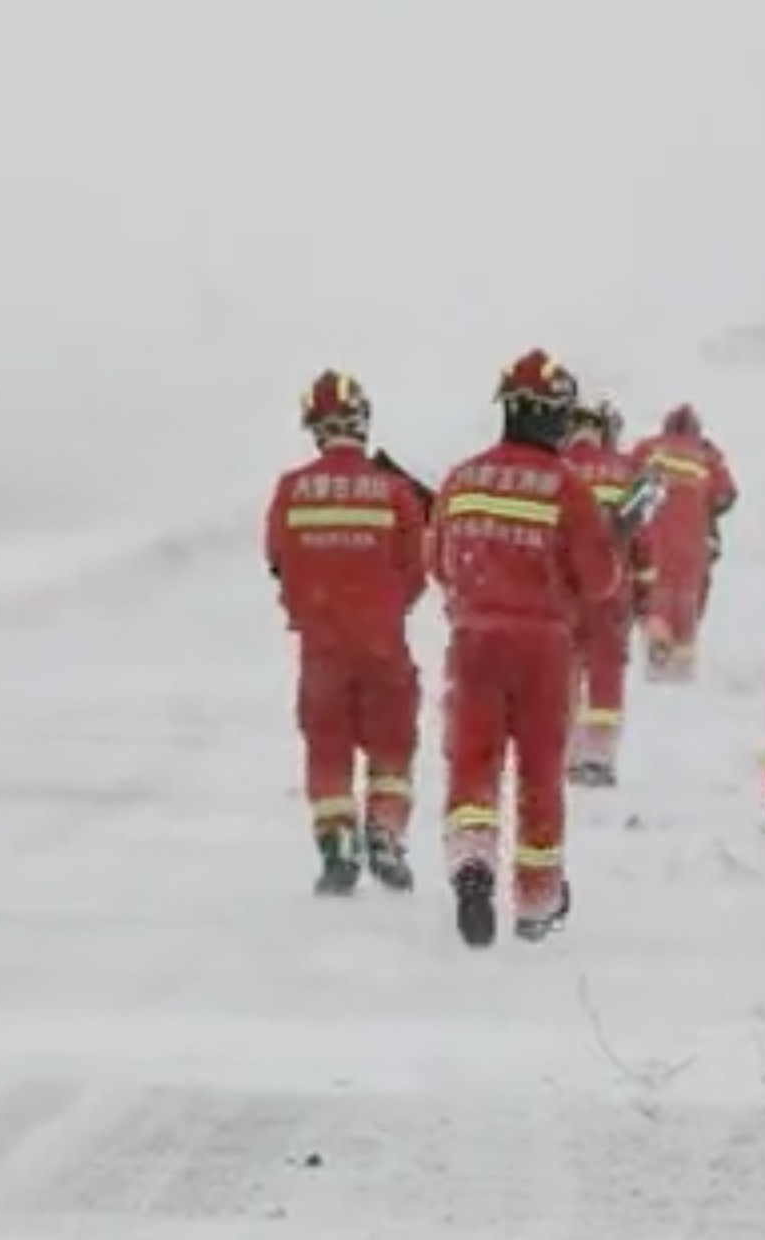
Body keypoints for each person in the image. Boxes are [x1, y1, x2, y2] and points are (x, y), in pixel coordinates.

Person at [430, 351, 620, 946]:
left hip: (473, 641)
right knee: (540, 773)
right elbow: (600, 582)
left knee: (472, 761)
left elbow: (437, 564)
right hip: (543, 648)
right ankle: (537, 900)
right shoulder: (567, 488)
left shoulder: (460, 480)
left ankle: (471, 860)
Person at [263, 369, 432, 895]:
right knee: (392, 746)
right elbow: (416, 571)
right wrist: (381, 608)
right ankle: (384, 834)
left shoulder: (292, 491)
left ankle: (337, 842)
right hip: (384, 645)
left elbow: (277, 561)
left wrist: (318, 606)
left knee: (327, 747)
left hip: (322, 649)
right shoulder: (396, 493)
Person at [559, 395, 651, 787]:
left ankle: (561, 749)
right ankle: (596, 756)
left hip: (560, 591)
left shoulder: (556, 469)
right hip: (613, 591)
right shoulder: (628, 470)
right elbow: (642, 541)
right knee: (605, 672)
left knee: (563, 671)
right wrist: (645, 592)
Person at [626, 403, 737, 681]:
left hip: (655, 540)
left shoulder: (649, 448)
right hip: (693, 543)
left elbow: (627, 480)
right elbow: (727, 494)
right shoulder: (708, 455)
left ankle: (656, 660)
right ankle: (681, 672)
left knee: (656, 597)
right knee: (687, 602)